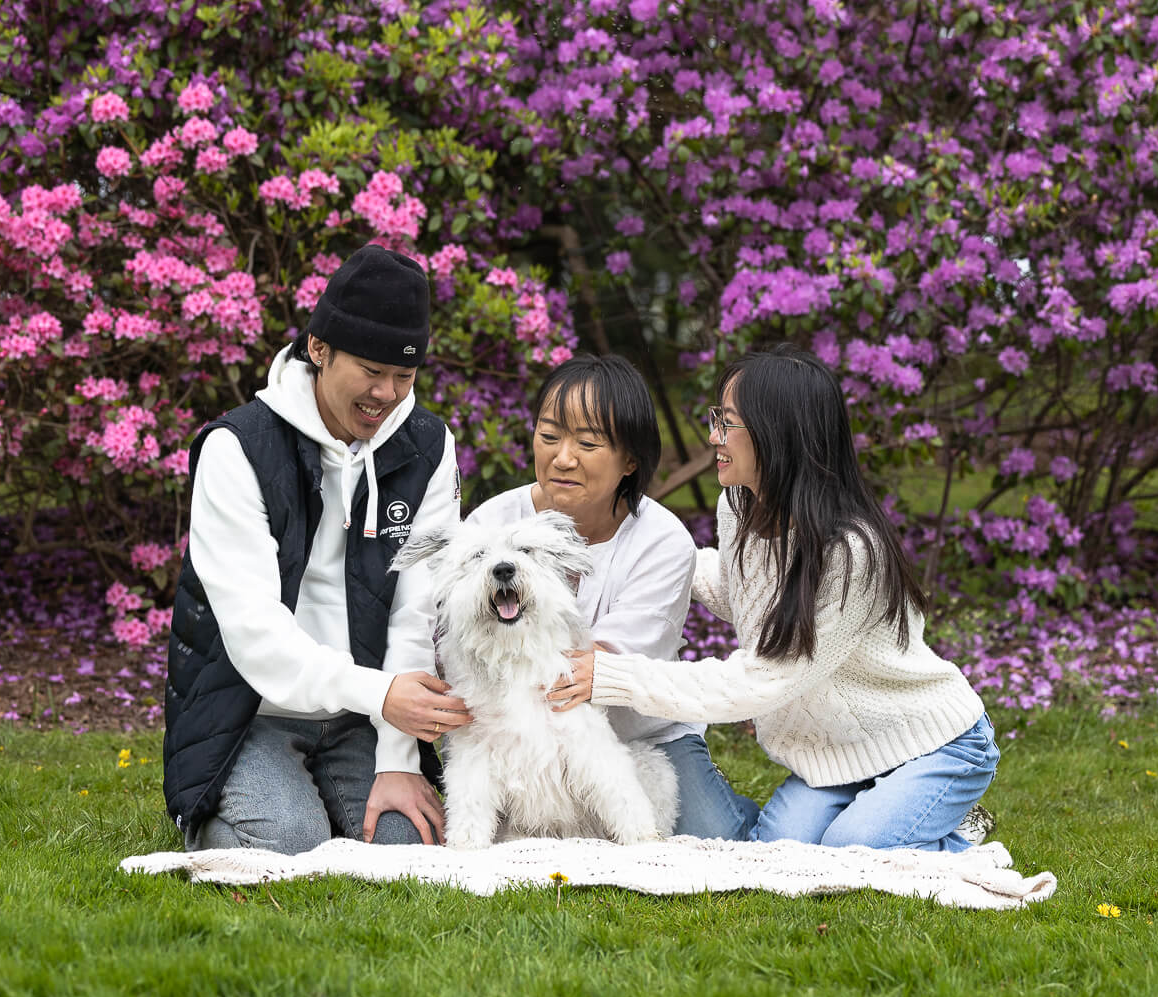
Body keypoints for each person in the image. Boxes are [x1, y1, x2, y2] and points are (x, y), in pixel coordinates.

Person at [550, 345, 998, 851]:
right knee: (775, 850)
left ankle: (956, 827)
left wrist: (613, 675)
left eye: (728, 423)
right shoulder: (739, 508)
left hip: (929, 745)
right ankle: (882, 809)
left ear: (778, 432)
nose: (713, 437)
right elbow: (741, 590)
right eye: (716, 418)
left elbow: (762, 679)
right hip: (834, 757)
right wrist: (647, 559)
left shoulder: (852, 553)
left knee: (850, 851)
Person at [164, 244, 471, 854]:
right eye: (370, 371)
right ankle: (220, 811)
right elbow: (255, 636)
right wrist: (379, 693)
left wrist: (398, 757)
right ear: (319, 349)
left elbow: (417, 610)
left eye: (403, 377)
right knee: (288, 838)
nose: (385, 394)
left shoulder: (429, 446)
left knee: (406, 845)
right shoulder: (236, 447)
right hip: (247, 707)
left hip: (362, 714)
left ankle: (334, 793)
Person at [469, 353, 759, 840]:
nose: (562, 457)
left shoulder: (662, 542)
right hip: (514, 738)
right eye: (548, 436)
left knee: (716, 839)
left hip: (642, 736)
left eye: (587, 442)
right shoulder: (491, 526)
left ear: (630, 459)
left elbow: (588, 672)